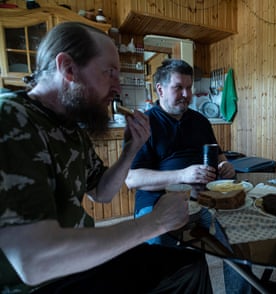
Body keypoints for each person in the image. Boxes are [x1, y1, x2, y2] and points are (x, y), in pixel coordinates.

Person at [0, 22, 212, 293]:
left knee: (190, 265)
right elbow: (35, 262)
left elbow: (101, 192)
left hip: (79, 264)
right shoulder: (11, 119)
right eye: (109, 72)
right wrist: (153, 222)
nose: (117, 87)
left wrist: (130, 150)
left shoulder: (69, 127)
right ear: (68, 68)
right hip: (39, 284)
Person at [125, 59, 251, 293]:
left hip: (205, 198)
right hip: (157, 201)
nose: (187, 94)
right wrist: (182, 175)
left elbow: (219, 154)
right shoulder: (144, 124)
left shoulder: (200, 121)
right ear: (160, 89)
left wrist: (226, 166)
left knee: (241, 235)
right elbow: (132, 179)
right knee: (163, 254)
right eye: (178, 88)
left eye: (189, 87)